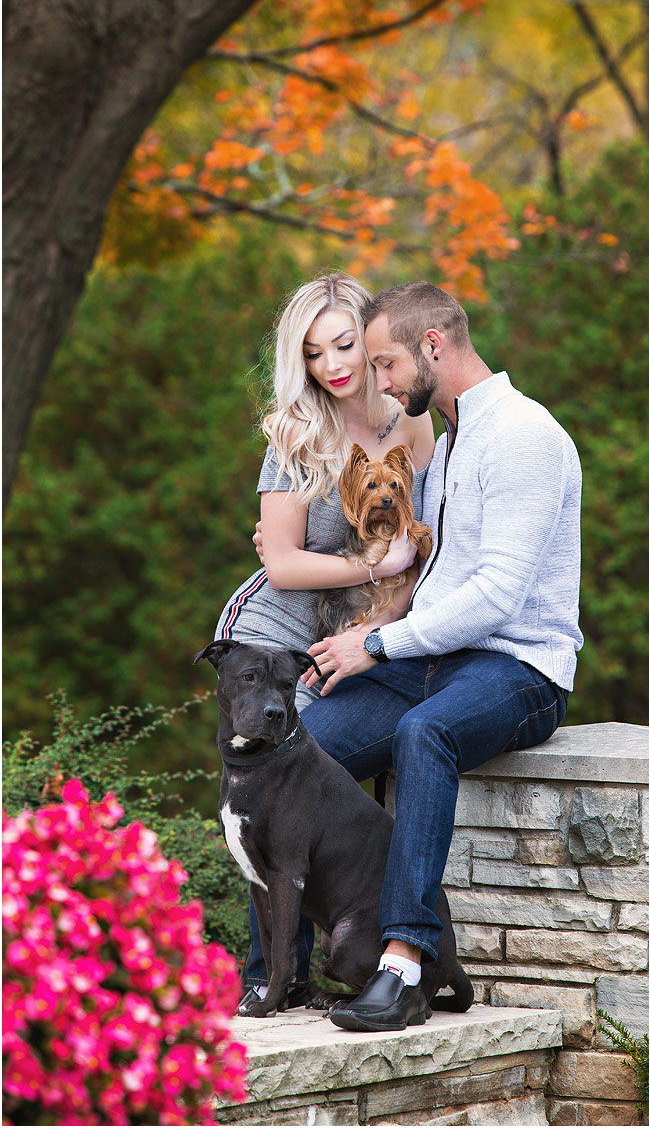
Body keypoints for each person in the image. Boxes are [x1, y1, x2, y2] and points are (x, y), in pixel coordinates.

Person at [289, 280, 584, 1031]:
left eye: (385, 364)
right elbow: (440, 581)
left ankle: (404, 964)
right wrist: (366, 639)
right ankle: (277, 968)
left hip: (518, 668)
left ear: (432, 347)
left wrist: (377, 643)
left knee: (428, 733)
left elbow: (495, 599)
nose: (379, 384)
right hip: (434, 659)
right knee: (296, 752)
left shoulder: (524, 434)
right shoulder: (453, 442)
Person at [214, 273, 435, 1015]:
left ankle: (355, 953)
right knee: (271, 796)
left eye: (344, 344)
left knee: (315, 793)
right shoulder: (295, 432)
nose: (333, 365)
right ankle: (268, 977)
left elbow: (424, 540)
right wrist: (378, 562)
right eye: (313, 353)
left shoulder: (414, 424)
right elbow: (280, 562)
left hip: (356, 639)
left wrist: (384, 615)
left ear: (373, 340)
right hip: (274, 640)